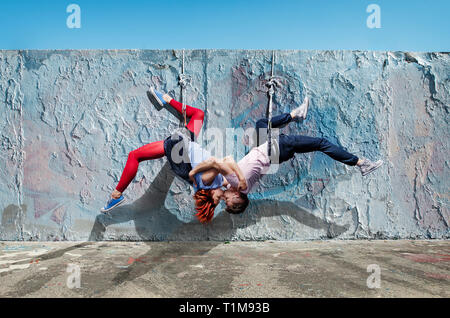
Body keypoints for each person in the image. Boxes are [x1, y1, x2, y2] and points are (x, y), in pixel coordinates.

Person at [190, 96, 384, 215]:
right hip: (275, 150)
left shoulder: (235, 185)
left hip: (266, 152)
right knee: (321, 143)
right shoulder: (239, 184)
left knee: (260, 125)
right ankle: (360, 163)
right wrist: (223, 179)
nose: (226, 199)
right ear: (238, 196)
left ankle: (295, 114)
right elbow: (227, 161)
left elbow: (221, 175)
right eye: (230, 201)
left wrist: (215, 187)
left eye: (226, 201)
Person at [100, 87, 248, 222]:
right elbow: (224, 170)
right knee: (199, 114)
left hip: (180, 149)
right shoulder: (217, 183)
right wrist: (231, 183)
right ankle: (166, 99)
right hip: (187, 147)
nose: (222, 198)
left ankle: (116, 195)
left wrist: (240, 178)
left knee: (135, 155)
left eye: (220, 200)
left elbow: (219, 163)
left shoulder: (207, 182)